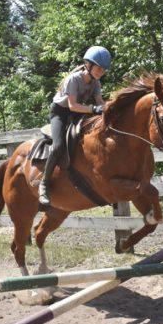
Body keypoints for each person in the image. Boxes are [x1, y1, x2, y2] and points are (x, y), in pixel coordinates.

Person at [39, 46, 112, 207]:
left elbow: (100, 103)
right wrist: (94, 109)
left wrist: (110, 107)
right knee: (58, 146)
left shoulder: (96, 82)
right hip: (60, 113)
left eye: (103, 70)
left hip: (78, 112)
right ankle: (44, 184)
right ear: (88, 64)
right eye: (99, 68)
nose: (101, 72)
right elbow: (72, 106)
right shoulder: (73, 79)